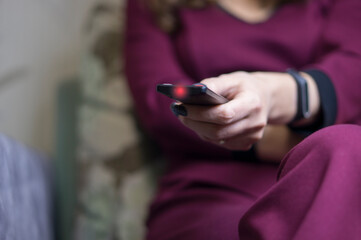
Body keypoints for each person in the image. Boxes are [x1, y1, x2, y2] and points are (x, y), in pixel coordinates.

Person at [124, 0, 361, 239]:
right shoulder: (154, 4)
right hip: (211, 186)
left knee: (346, 145)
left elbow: (353, 72)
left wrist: (272, 93)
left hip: (331, 171)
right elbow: (158, 104)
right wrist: (291, 143)